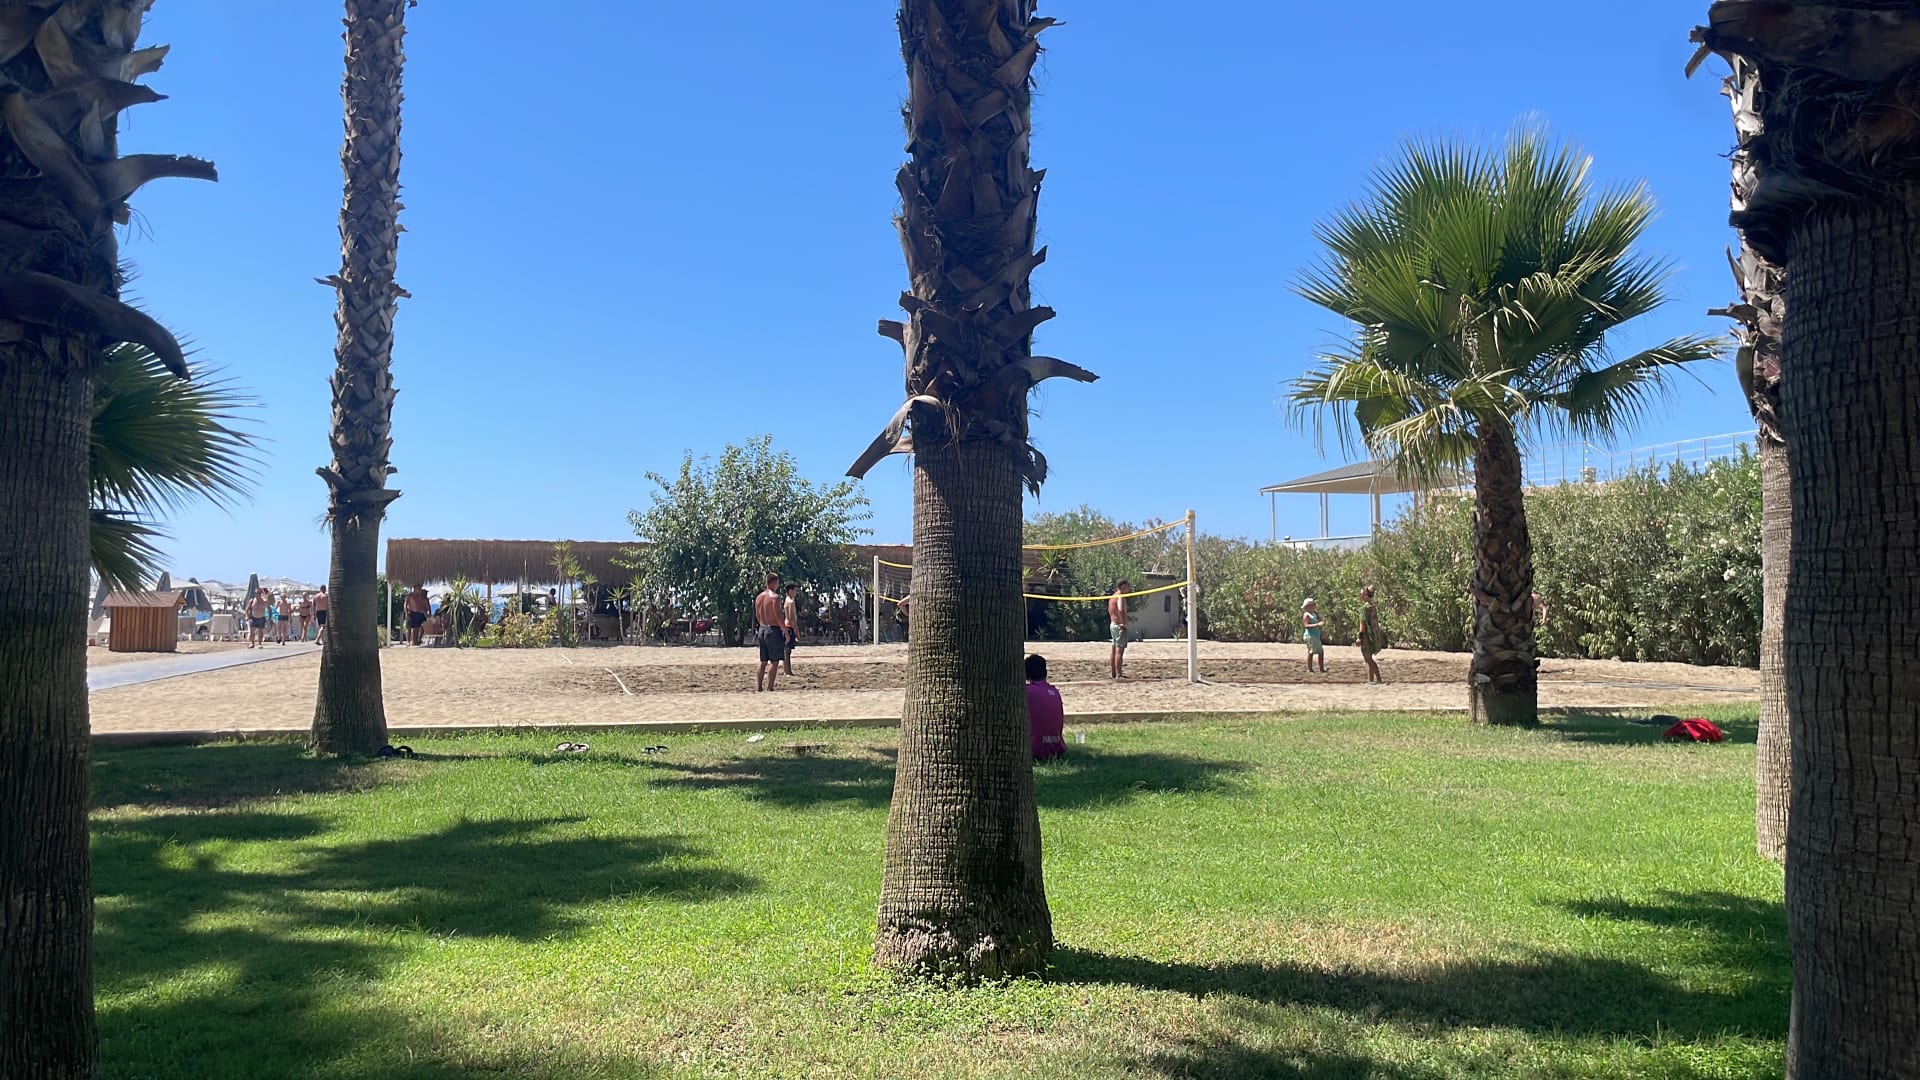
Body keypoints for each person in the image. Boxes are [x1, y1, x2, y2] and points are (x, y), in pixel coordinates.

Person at [1026, 653, 1066, 761]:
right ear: (1045, 672)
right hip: (1057, 747)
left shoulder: (1027, 692)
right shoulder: (1054, 691)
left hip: (1035, 749)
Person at [754, 572, 784, 691]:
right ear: (775, 582)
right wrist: (785, 631)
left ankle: (759, 687)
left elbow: (757, 615)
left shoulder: (759, 597)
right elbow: (778, 616)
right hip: (773, 629)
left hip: (762, 628)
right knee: (774, 661)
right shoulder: (775, 597)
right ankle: (770, 687)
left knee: (763, 661)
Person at [1359, 585, 1384, 684]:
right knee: (1369, 659)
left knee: (1368, 659)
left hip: (1366, 635)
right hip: (1374, 635)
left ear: (1366, 595)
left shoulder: (1364, 609)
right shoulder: (1373, 607)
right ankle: (1372, 679)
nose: (1361, 596)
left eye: (1362, 594)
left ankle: (1376, 679)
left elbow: (1363, 624)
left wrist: (1360, 637)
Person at [1108, 580, 1131, 679]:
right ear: (1122, 586)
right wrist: (1123, 623)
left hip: (1113, 624)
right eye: (1127, 585)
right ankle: (1118, 674)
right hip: (1118, 626)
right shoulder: (1120, 596)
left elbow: (1110, 610)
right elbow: (1120, 609)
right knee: (1119, 651)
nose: (1129, 587)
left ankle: (1114, 673)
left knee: (1114, 649)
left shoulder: (1112, 597)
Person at [1301, 597, 1326, 673]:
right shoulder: (1306, 615)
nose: (1314, 606)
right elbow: (1306, 625)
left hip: (1315, 636)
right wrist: (1317, 624)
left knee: (1320, 652)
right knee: (1311, 652)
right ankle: (1310, 669)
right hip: (1310, 636)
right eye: (1313, 605)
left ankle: (1321, 669)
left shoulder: (1313, 614)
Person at [782, 581, 801, 677]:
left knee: (787, 650)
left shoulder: (787, 600)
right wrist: (796, 630)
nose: (796, 593)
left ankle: (787, 670)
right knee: (787, 650)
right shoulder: (791, 602)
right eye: (795, 590)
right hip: (789, 626)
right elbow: (791, 618)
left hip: (787, 626)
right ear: (790, 590)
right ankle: (787, 671)